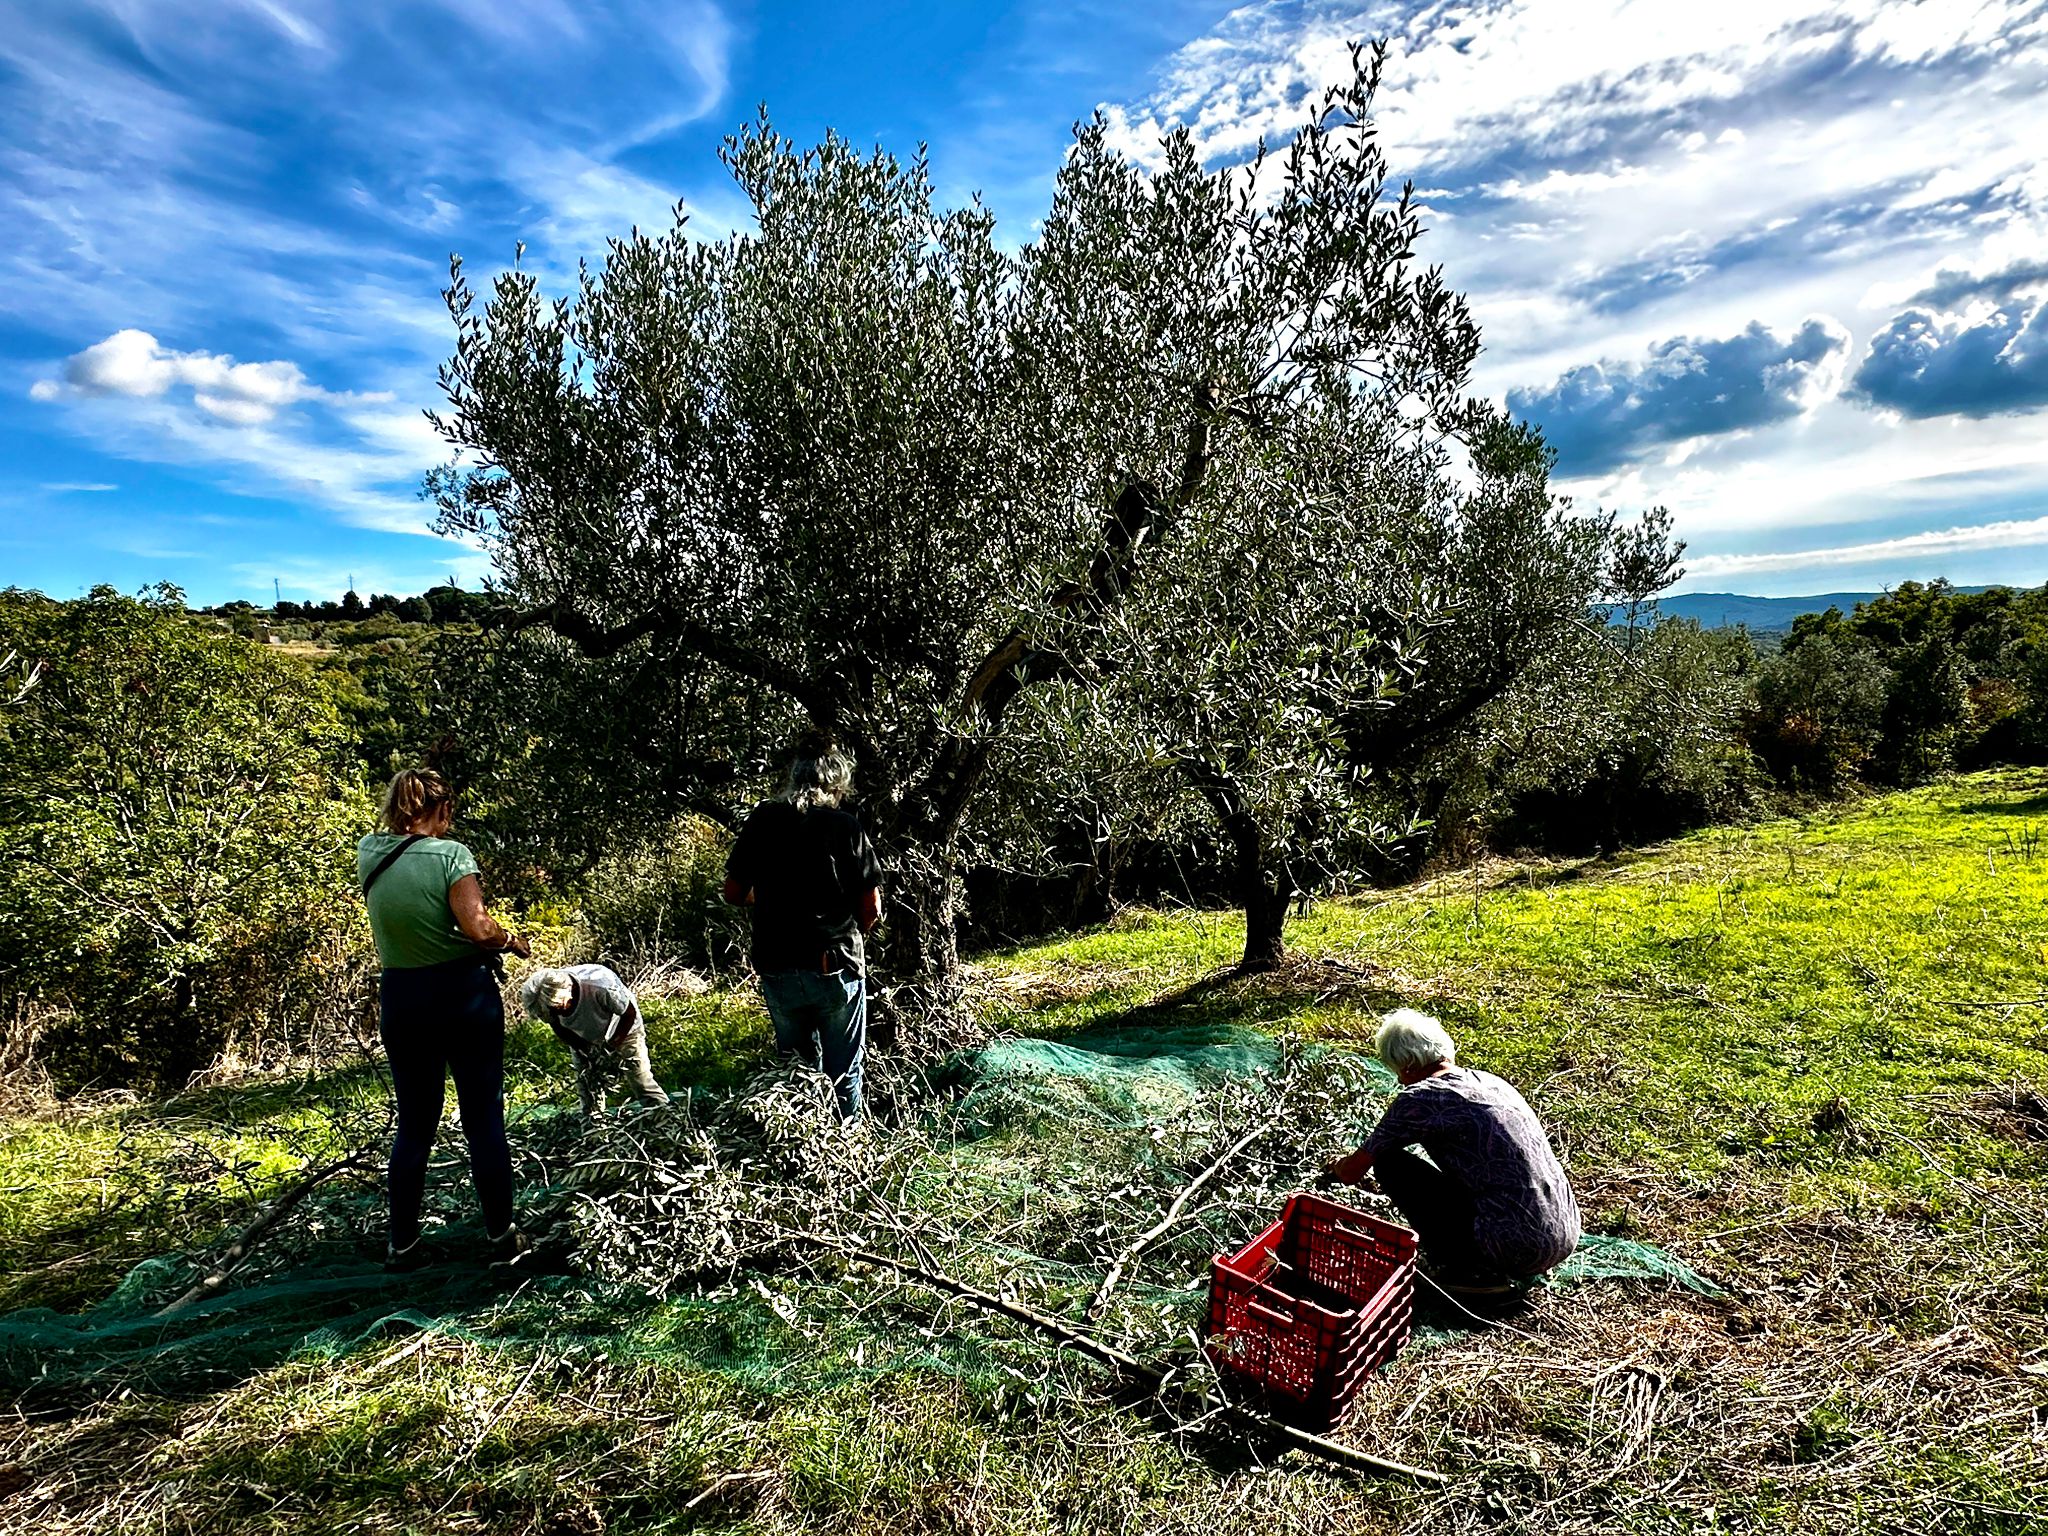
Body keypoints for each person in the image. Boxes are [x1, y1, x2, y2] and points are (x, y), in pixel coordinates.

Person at [358, 769, 531, 1271]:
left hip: (402, 998)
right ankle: (502, 1236)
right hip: (460, 994)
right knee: (482, 1117)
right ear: (444, 809)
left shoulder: (369, 850)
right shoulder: (451, 856)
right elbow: (477, 928)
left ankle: (403, 1245)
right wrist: (511, 941)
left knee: (414, 1124)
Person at [1325, 1009, 1580, 1297]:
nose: (1399, 1081)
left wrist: (1335, 1167)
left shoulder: (1421, 1098)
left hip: (1515, 1246)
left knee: (1389, 1163)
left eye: (1398, 1071)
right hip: (1563, 1233)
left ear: (1408, 1066)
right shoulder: (1492, 1082)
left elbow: (1352, 1172)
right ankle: (1511, 1255)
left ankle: (1471, 1272)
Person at [721, 733, 882, 1120]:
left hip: (777, 967)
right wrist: (854, 933)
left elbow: (732, 892)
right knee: (843, 1072)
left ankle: (800, 1143)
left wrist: (769, 901)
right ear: (837, 783)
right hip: (833, 964)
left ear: (793, 778)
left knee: (794, 1074)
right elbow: (871, 906)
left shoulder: (763, 820)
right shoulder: (844, 826)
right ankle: (847, 1146)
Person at [519, 965, 669, 1115]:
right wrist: (585, 1050)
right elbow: (558, 1028)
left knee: (641, 1081)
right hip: (583, 1035)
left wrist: (610, 1048)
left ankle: (665, 1115)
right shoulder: (546, 1001)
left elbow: (628, 1014)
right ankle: (593, 1125)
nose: (557, 1015)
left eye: (558, 1010)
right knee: (587, 1090)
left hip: (622, 1028)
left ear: (568, 994)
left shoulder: (600, 986)